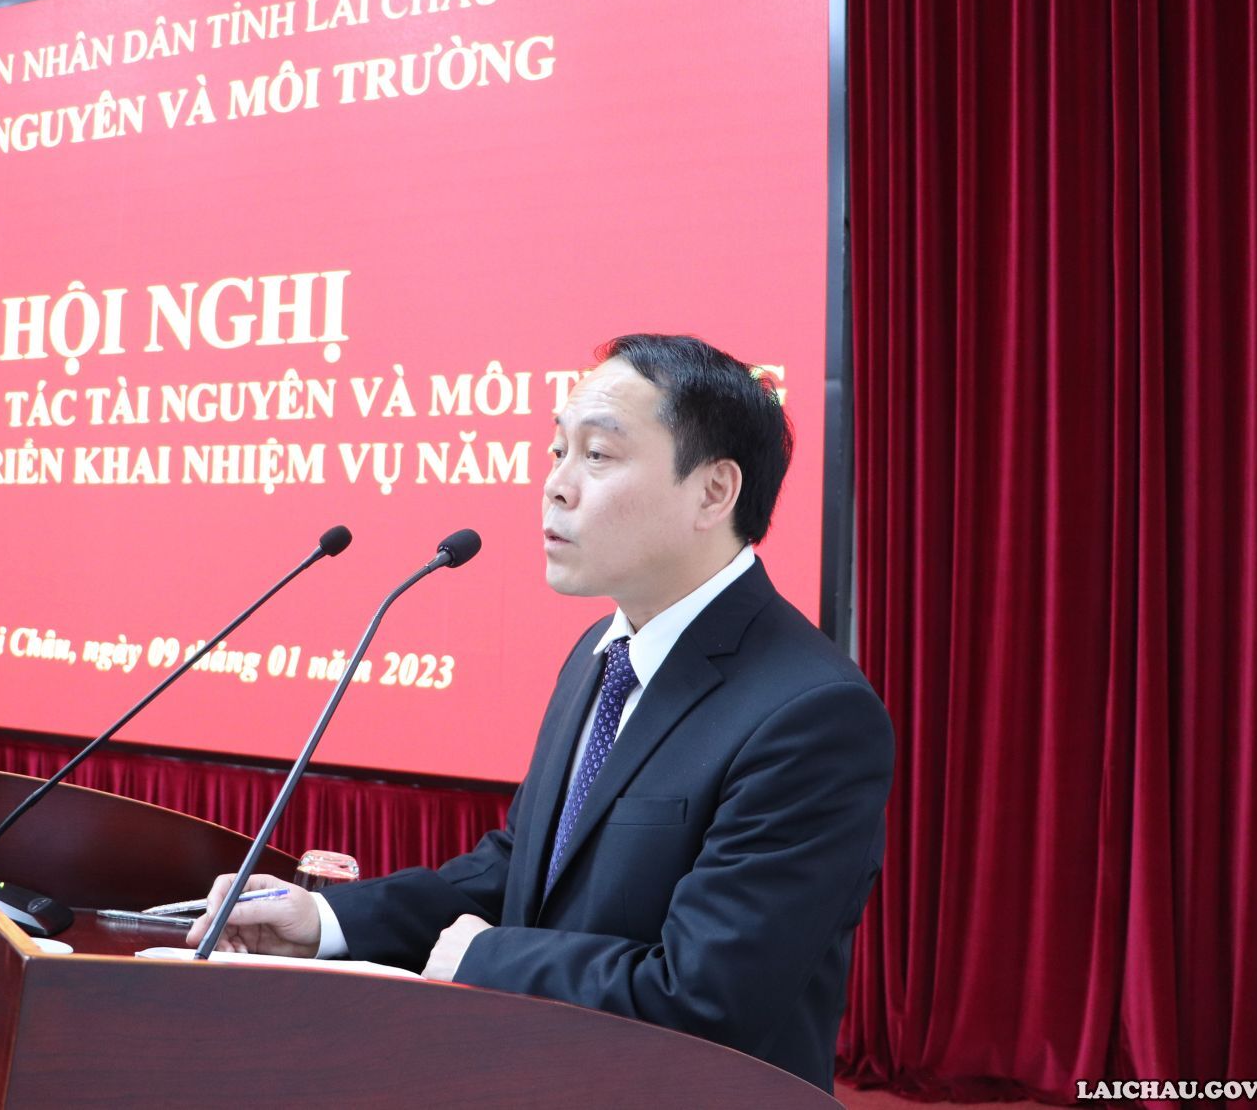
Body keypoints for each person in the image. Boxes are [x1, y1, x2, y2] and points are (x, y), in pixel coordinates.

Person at [188, 334, 893, 1092]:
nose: (556, 486)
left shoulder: (811, 714)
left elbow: (705, 994)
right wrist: (326, 923)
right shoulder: (602, 652)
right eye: (558, 451)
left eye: (598, 455)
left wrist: (485, 959)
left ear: (714, 491)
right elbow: (519, 869)